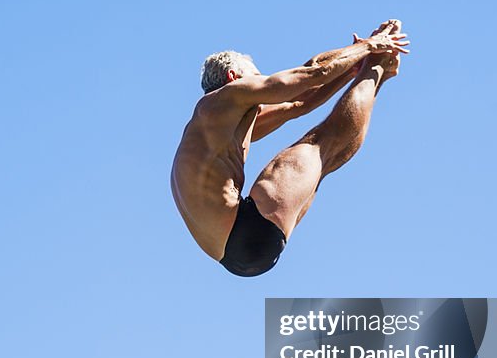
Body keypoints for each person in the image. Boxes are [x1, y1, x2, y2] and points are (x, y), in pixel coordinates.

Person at [170, 19, 410, 277]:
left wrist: (351, 65)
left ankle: (373, 71)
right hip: (246, 229)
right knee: (321, 145)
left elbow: (299, 102)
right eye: (257, 77)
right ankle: (376, 68)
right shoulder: (222, 99)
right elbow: (310, 75)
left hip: (238, 254)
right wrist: (370, 47)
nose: (262, 82)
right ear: (234, 77)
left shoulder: (219, 128)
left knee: (322, 160)